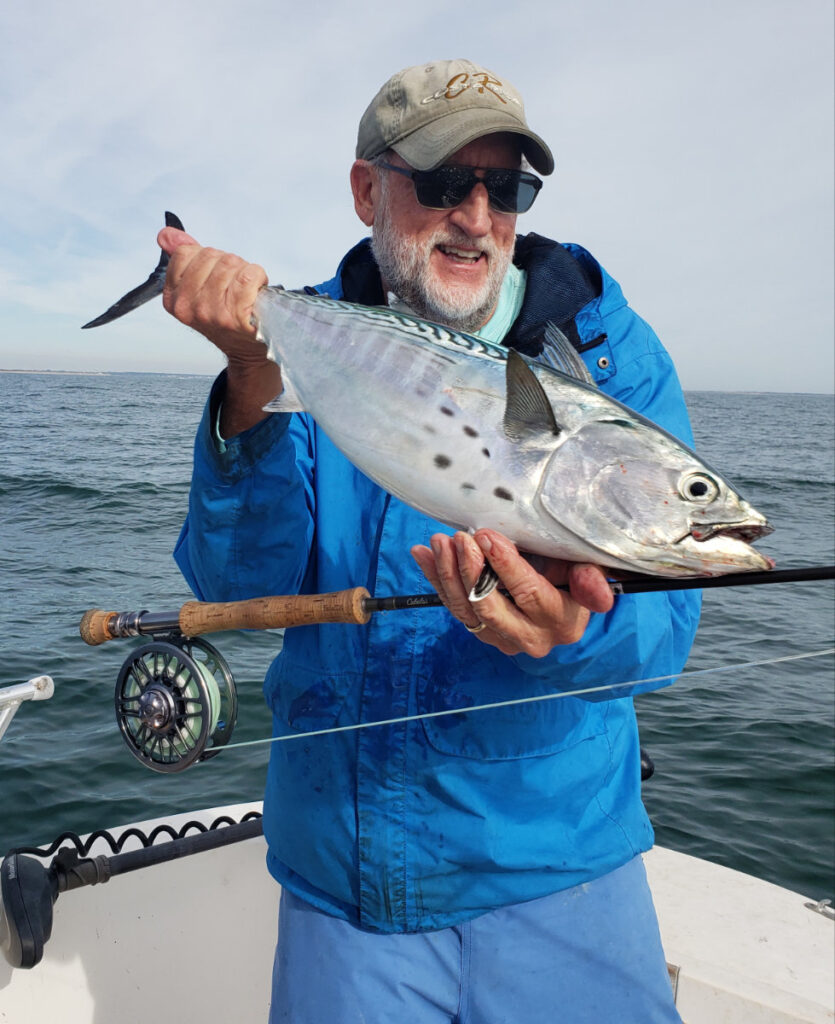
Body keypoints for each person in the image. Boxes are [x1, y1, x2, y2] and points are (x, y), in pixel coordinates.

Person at [160, 59, 701, 1023]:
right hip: (344, 877)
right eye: (445, 182)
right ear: (368, 189)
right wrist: (251, 375)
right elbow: (235, 582)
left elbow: (666, 630)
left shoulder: (613, 354)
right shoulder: (308, 337)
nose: (477, 216)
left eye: (507, 188)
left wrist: (573, 635)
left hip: (559, 864)